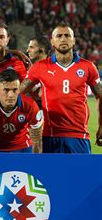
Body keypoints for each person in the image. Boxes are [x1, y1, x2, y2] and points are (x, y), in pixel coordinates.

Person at [20, 22, 101, 153]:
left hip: (79, 135)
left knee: (80, 173)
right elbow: (18, 93)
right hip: (49, 135)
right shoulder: (40, 67)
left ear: (73, 40)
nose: (63, 39)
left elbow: (100, 95)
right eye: (59, 36)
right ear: (52, 42)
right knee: (48, 173)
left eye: (67, 35)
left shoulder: (88, 66)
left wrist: (101, 125)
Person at [0, 69, 43, 153]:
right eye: (6, 90)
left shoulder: (30, 105)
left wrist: (36, 162)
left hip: (24, 148)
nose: (10, 95)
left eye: (15, 90)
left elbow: (37, 139)